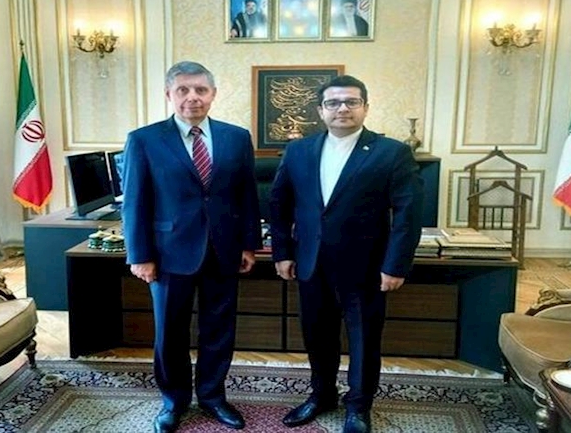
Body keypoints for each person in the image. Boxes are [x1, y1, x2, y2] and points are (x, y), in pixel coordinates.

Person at [269, 75, 423, 433]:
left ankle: (358, 407)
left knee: (364, 340)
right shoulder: (298, 150)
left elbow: (408, 213)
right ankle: (321, 395)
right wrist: (282, 252)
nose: (342, 108)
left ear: (365, 107)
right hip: (310, 263)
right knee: (317, 336)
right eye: (333, 102)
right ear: (320, 110)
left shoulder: (391, 152)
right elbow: (279, 205)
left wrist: (396, 264)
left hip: (366, 266)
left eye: (351, 102)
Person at [122, 61, 261, 433]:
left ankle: (213, 397)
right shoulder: (144, 140)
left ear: (213, 94)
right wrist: (140, 255)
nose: (192, 97)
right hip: (167, 253)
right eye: (183, 89)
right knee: (170, 332)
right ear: (169, 94)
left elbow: (247, 195)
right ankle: (174, 401)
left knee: (219, 329)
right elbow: (134, 202)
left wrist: (250, 244)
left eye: (200, 89)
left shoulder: (236, 137)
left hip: (223, 249)